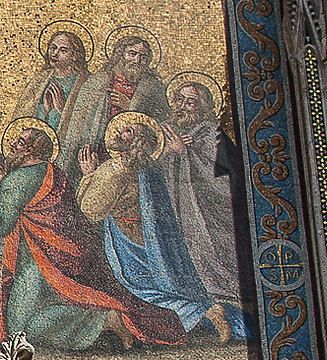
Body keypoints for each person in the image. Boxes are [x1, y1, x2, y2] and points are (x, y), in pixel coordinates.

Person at [0, 122, 175, 352]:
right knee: (30, 316)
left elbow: (0, 224)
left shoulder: (16, 181)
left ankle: (103, 321)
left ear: (31, 152)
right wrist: (2, 184)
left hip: (42, 263)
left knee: (18, 330)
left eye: (21, 142)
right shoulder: (52, 172)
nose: (13, 145)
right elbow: (28, 204)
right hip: (69, 256)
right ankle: (102, 320)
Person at [76, 112, 240, 340]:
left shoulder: (118, 167)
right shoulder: (150, 165)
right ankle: (206, 313)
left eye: (127, 131)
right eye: (122, 129)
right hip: (155, 242)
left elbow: (91, 209)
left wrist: (89, 174)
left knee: (141, 290)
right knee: (156, 288)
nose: (120, 133)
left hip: (129, 244)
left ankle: (207, 312)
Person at [158, 76, 247, 310]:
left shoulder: (214, 136)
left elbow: (229, 183)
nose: (181, 107)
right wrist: (168, 152)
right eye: (179, 100)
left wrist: (184, 154)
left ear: (204, 107)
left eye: (190, 102)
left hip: (212, 222)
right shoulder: (166, 133)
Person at [62, 29, 170, 179]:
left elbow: (162, 123)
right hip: (96, 153)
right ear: (120, 54)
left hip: (134, 157)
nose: (137, 60)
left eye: (143, 57)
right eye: (132, 54)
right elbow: (78, 124)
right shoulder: (96, 82)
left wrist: (130, 107)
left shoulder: (152, 88)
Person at [14, 27, 91, 149]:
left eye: (63, 50)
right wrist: (44, 110)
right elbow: (22, 118)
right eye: (53, 48)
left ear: (75, 56)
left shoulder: (87, 84)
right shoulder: (39, 81)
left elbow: (90, 126)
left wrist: (62, 110)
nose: (55, 54)